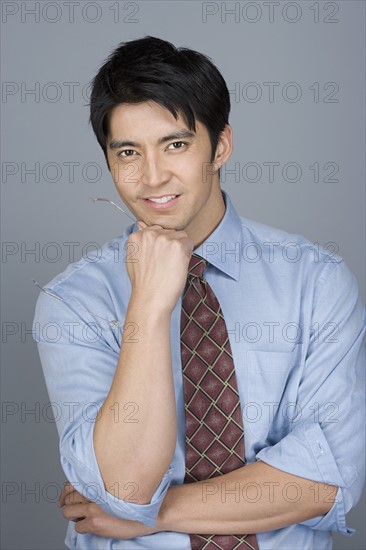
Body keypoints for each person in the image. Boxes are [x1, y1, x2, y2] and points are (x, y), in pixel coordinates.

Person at [33, 36, 365, 550]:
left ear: (221, 146)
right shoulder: (72, 302)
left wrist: (150, 515)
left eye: (176, 144)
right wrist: (148, 301)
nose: (152, 176)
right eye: (127, 152)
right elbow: (125, 485)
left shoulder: (316, 282)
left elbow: (326, 480)